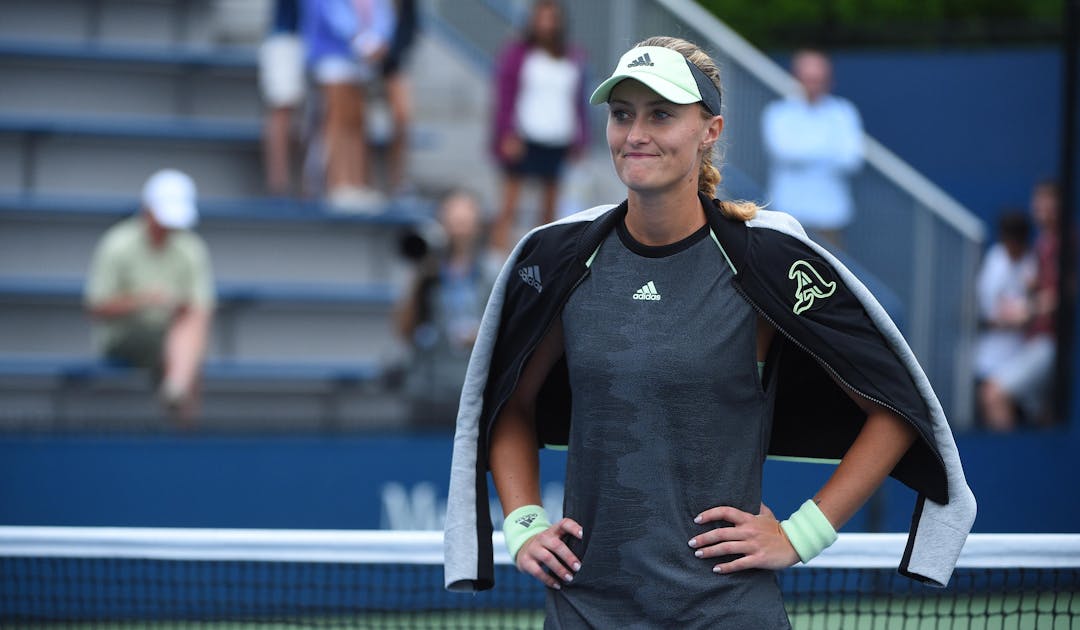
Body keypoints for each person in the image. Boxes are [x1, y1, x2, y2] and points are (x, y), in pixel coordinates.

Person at [443, 37, 976, 627]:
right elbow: (506, 402)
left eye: (662, 115)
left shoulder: (765, 261)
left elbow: (897, 405)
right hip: (583, 608)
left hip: (726, 610)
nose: (636, 134)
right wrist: (522, 523)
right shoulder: (565, 257)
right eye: (623, 114)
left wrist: (801, 533)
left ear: (710, 130)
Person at [84, 169, 215, 424]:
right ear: (148, 210)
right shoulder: (117, 244)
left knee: (187, 335)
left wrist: (177, 308)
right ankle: (179, 399)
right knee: (188, 348)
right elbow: (96, 306)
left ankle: (177, 389)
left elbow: (200, 308)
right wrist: (145, 300)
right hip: (125, 336)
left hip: (173, 336)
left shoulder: (192, 249)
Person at [393, 190, 499, 427]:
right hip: (428, 389)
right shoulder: (425, 267)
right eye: (452, 221)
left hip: (476, 392)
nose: (458, 230)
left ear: (478, 226)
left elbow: (510, 331)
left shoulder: (494, 270)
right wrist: (419, 278)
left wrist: (480, 335)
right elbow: (403, 331)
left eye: (464, 221)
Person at [489, 0, 588, 252]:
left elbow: (578, 101)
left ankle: (544, 259)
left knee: (549, 211)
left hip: (557, 139)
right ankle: (497, 261)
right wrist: (506, 134)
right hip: (525, 137)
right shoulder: (517, 54)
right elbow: (504, 97)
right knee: (509, 206)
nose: (545, 24)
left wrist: (580, 139)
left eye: (550, 18)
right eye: (541, 18)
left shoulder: (572, 56)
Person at [979, 181, 1062, 430]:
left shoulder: (1065, 243)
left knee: (993, 394)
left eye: (1046, 201)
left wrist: (1026, 310)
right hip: (1034, 343)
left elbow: (1061, 296)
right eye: (1037, 201)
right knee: (1041, 416)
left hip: (1050, 343)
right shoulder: (1041, 245)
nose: (1039, 207)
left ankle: (1009, 464)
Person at [762, 49, 863, 247]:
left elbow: (852, 159)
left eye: (818, 79)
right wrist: (829, 147)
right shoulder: (778, 112)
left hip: (830, 216)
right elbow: (783, 152)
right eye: (808, 78)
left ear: (829, 80)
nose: (813, 85)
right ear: (796, 78)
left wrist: (804, 147)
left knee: (829, 275)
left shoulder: (843, 112)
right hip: (788, 215)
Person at [301, 0, 395, 210]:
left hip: (361, 62)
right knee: (336, 121)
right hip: (332, 56)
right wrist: (362, 41)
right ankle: (338, 184)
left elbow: (382, 15)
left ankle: (355, 183)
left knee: (356, 122)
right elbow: (329, 13)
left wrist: (377, 41)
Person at [973, 211, 1035, 389]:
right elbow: (988, 312)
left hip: (1021, 353)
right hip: (990, 356)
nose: (1012, 248)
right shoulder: (995, 261)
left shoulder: (1031, 262)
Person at [259, 0, 305, 196]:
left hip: (314, 38)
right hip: (285, 38)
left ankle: (302, 182)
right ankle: (279, 183)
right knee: (281, 111)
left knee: (305, 118)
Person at [374, 0, 419, 196]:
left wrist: (389, 54)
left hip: (393, 66)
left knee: (402, 119)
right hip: (362, 63)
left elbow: (410, 27)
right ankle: (370, 181)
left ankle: (397, 179)